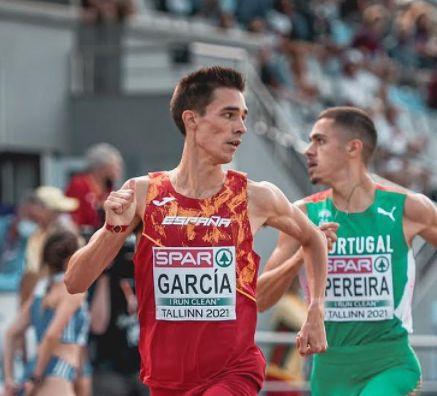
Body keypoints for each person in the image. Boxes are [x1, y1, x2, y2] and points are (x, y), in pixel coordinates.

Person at [65, 66, 328, 395]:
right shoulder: (144, 194)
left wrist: (316, 309)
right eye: (229, 115)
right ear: (192, 120)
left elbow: (313, 238)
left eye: (243, 116)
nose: (241, 128)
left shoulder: (255, 197)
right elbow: (74, 281)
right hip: (165, 378)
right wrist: (112, 230)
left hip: (233, 371)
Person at [257, 106, 437, 395]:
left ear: (353, 148)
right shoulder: (303, 214)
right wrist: (304, 252)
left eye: (320, 141)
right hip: (329, 371)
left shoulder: (408, 208)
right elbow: (259, 299)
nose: (308, 150)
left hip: (390, 365)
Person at [3, 230, 89, 396]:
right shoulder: (73, 291)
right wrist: (36, 378)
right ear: (70, 259)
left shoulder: (41, 290)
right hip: (56, 371)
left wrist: (9, 379)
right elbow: (51, 335)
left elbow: (11, 334)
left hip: (38, 369)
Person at [66, 142, 123, 231]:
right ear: (101, 167)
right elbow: (72, 214)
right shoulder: (79, 185)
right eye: (115, 165)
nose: (119, 169)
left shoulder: (110, 188)